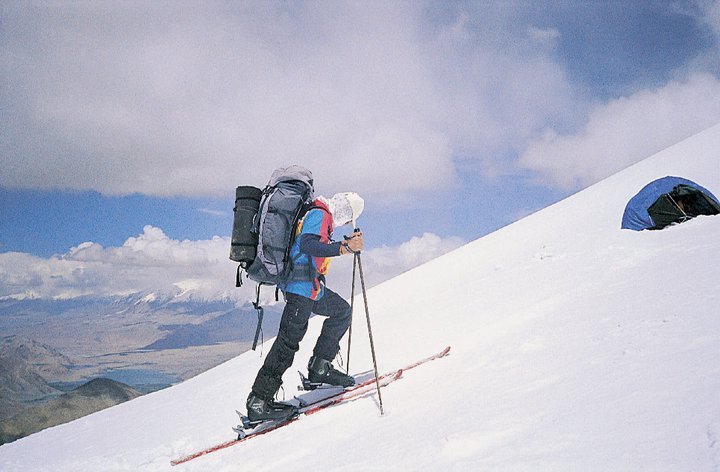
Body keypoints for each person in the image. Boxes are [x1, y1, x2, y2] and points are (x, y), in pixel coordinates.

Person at [246, 191, 365, 422]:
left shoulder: (320, 215)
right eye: (349, 216)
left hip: (311, 288)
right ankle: (259, 401)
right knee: (287, 343)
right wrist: (344, 247)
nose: (346, 221)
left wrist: (344, 245)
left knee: (341, 312)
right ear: (345, 209)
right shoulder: (320, 214)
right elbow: (309, 244)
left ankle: (320, 368)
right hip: (301, 289)